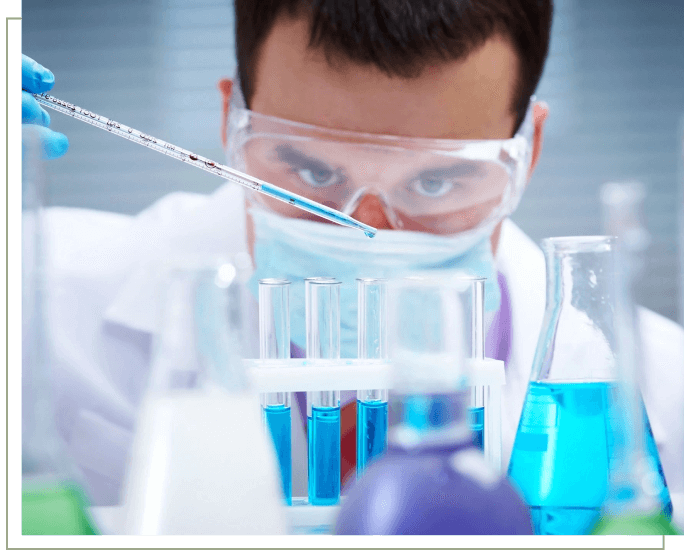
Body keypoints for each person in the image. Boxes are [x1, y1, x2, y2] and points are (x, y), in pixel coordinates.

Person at [21, 0, 684, 521]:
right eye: (308, 170)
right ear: (230, 120)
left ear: (528, 150)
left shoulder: (662, 393)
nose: (363, 231)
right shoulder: (36, 306)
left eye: (435, 182)